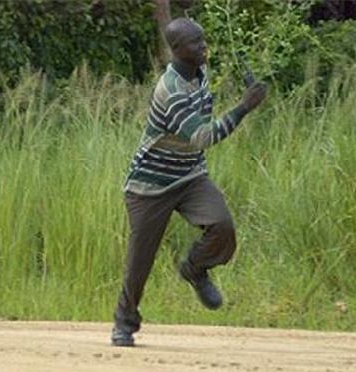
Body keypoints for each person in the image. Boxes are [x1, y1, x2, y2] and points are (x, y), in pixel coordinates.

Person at [112, 18, 267, 347]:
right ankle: (124, 322)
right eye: (196, 43)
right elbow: (202, 136)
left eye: (203, 40)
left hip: (189, 175)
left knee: (222, 226)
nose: (204, 46)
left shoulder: (199, 72)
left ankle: (195, 269)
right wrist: (244, 107)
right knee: (140, 261)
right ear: (178, 51)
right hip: (150, 185)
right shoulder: (170, 90)